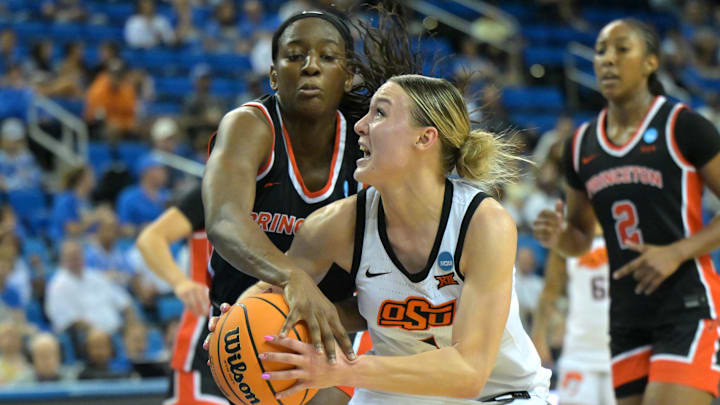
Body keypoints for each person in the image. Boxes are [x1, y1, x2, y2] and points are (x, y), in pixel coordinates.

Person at [217, 74, 550, 404]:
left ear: (424, 138)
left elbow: (469, 372)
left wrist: (341, 368)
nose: (360, 125)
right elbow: (272, 291)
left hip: (497, 393)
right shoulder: (335, 225)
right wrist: (234, 325)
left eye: (379, 113)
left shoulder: (484, 223)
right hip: (396, 394)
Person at [202, 7, 419, 405]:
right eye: (295, 55)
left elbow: (393, 278)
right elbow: (224, 219)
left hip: (327, 330)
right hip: (238, 323)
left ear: (349, 74)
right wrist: (292, 278)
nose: (310, 67)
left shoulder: (367, 146)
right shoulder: (250, 125)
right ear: (273, 75)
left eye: (327, 57)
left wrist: (328, 313)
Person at [532, 19, 720, 405]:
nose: (607, 61)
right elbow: (580, 240)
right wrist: (558, 236)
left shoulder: (684, 127)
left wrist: (677, 251)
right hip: (625, 317)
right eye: (601, 51)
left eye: (622, 49)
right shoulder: (580, 145)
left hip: (686, 304)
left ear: (651, 62)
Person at [136, 184, 219, 404]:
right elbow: (150, 239)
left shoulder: (290, 197)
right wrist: (181, 282)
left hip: (265, 342)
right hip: (204, 342)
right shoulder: (215, 189)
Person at [531, 222, 615, 405]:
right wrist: (539, 337)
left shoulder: (626, 232)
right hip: (579, 353)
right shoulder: (568, 239)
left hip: (621, 352)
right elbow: (550, 292)